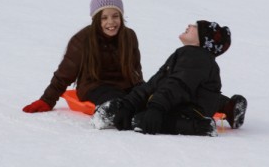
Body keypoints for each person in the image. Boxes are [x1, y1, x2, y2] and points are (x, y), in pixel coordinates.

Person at [91, 20, 247, 136]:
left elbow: (178, 85)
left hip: (189, 110)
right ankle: (229, 106)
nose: (190, 25)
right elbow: (154, 84)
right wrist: (129, 104)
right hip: (184, 101)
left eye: (196, 26)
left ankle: (200, 126)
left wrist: (156, 107)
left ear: (203, 41)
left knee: (142, 120)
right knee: (143, 108)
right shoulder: (186, 54)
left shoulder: (196, 56)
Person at [23, 0, 144, 113]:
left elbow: (135, 71)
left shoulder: (129, 36)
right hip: (96, 87)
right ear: (96, 19)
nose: (111, 22)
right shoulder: (83, 39)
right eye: (104, 18)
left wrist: (143, 91)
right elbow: (64, 74)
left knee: (150, 99)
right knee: (120, 105)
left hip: (125, 86)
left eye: (115, 16)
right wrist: (47, 100)